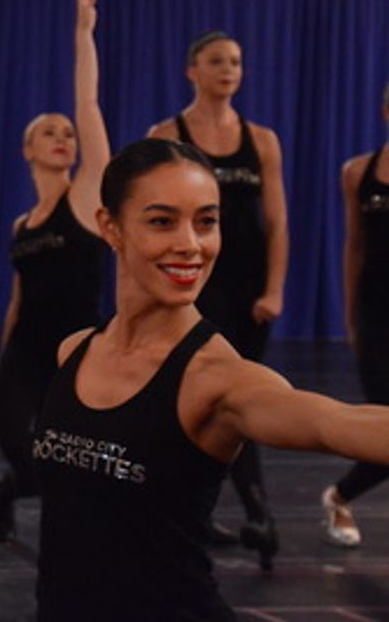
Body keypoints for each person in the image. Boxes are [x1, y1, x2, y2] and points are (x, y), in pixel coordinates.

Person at [34, 137, 389, 622]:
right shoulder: (73, 351)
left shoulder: (217, 380)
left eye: (206, 221)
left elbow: (335, 422)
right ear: (110, 227)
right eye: (162, 221)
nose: (190, 244)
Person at [149, 30, 287, 567]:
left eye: (236, 60)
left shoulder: (263, 140)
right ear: (193, 71)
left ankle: (221, 512)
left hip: (250, 289)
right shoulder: (169, 134)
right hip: (194, 285)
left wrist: (274, 289)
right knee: (217, 397)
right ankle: (257, 512)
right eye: (216, 61)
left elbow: (275, 222)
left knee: (240, 392)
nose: (228, 69)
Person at [0, 0, 110, 544]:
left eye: (67, 134)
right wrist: (6, 352)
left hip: (78, 351)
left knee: (67, 460)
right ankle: (10, 488)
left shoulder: (85, 198)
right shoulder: (21, 225)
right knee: (12, 436)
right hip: (27, 350)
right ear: (27, 150)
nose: (63, 138)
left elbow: (87, 104)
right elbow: (19, 297)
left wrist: (83, 34)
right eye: (48, 133)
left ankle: (65, 542)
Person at [319, 83, 389, 548]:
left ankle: (340, 495)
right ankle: (339, 496)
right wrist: (349, 316)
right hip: (377, 311)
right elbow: (355, 248)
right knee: (383, 424)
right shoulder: (358, 172)